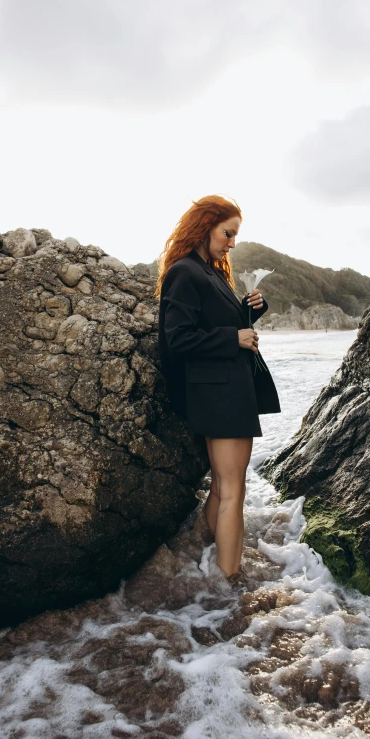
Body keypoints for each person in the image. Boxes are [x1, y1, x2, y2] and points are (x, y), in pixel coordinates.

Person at [155, 195, 281, 581]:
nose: (232, 242)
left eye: (235, 236)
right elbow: (178, 338)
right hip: (220, 393)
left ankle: (201, 555)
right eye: (228, 233)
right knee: (232, 490)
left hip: (224, 390)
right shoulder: (185, 272)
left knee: (223, 487)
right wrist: (235, 338)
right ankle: (229, 582)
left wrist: (249, 311)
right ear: (205, 225)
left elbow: (212, 322)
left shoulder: (209, 271)